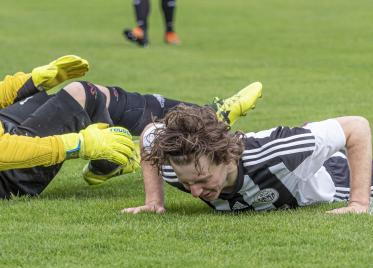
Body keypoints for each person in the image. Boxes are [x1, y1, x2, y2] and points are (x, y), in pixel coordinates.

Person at [122, 104, 373, 215]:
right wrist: (155, 201)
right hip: (301, 163)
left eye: (202, 180)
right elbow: (150, 136)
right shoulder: (181, 164)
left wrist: (357, 203)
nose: (194, 190)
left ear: (225, 156)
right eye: (188, 182)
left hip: (324, 179)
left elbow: (357, 126)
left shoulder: (277, 155)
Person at [0, 56, 262, 199]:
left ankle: (203, 116)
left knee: (74, 98)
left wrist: (27, 83)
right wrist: (78, 144)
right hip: (10, 172)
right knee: (82, 94)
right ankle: (111, 158)